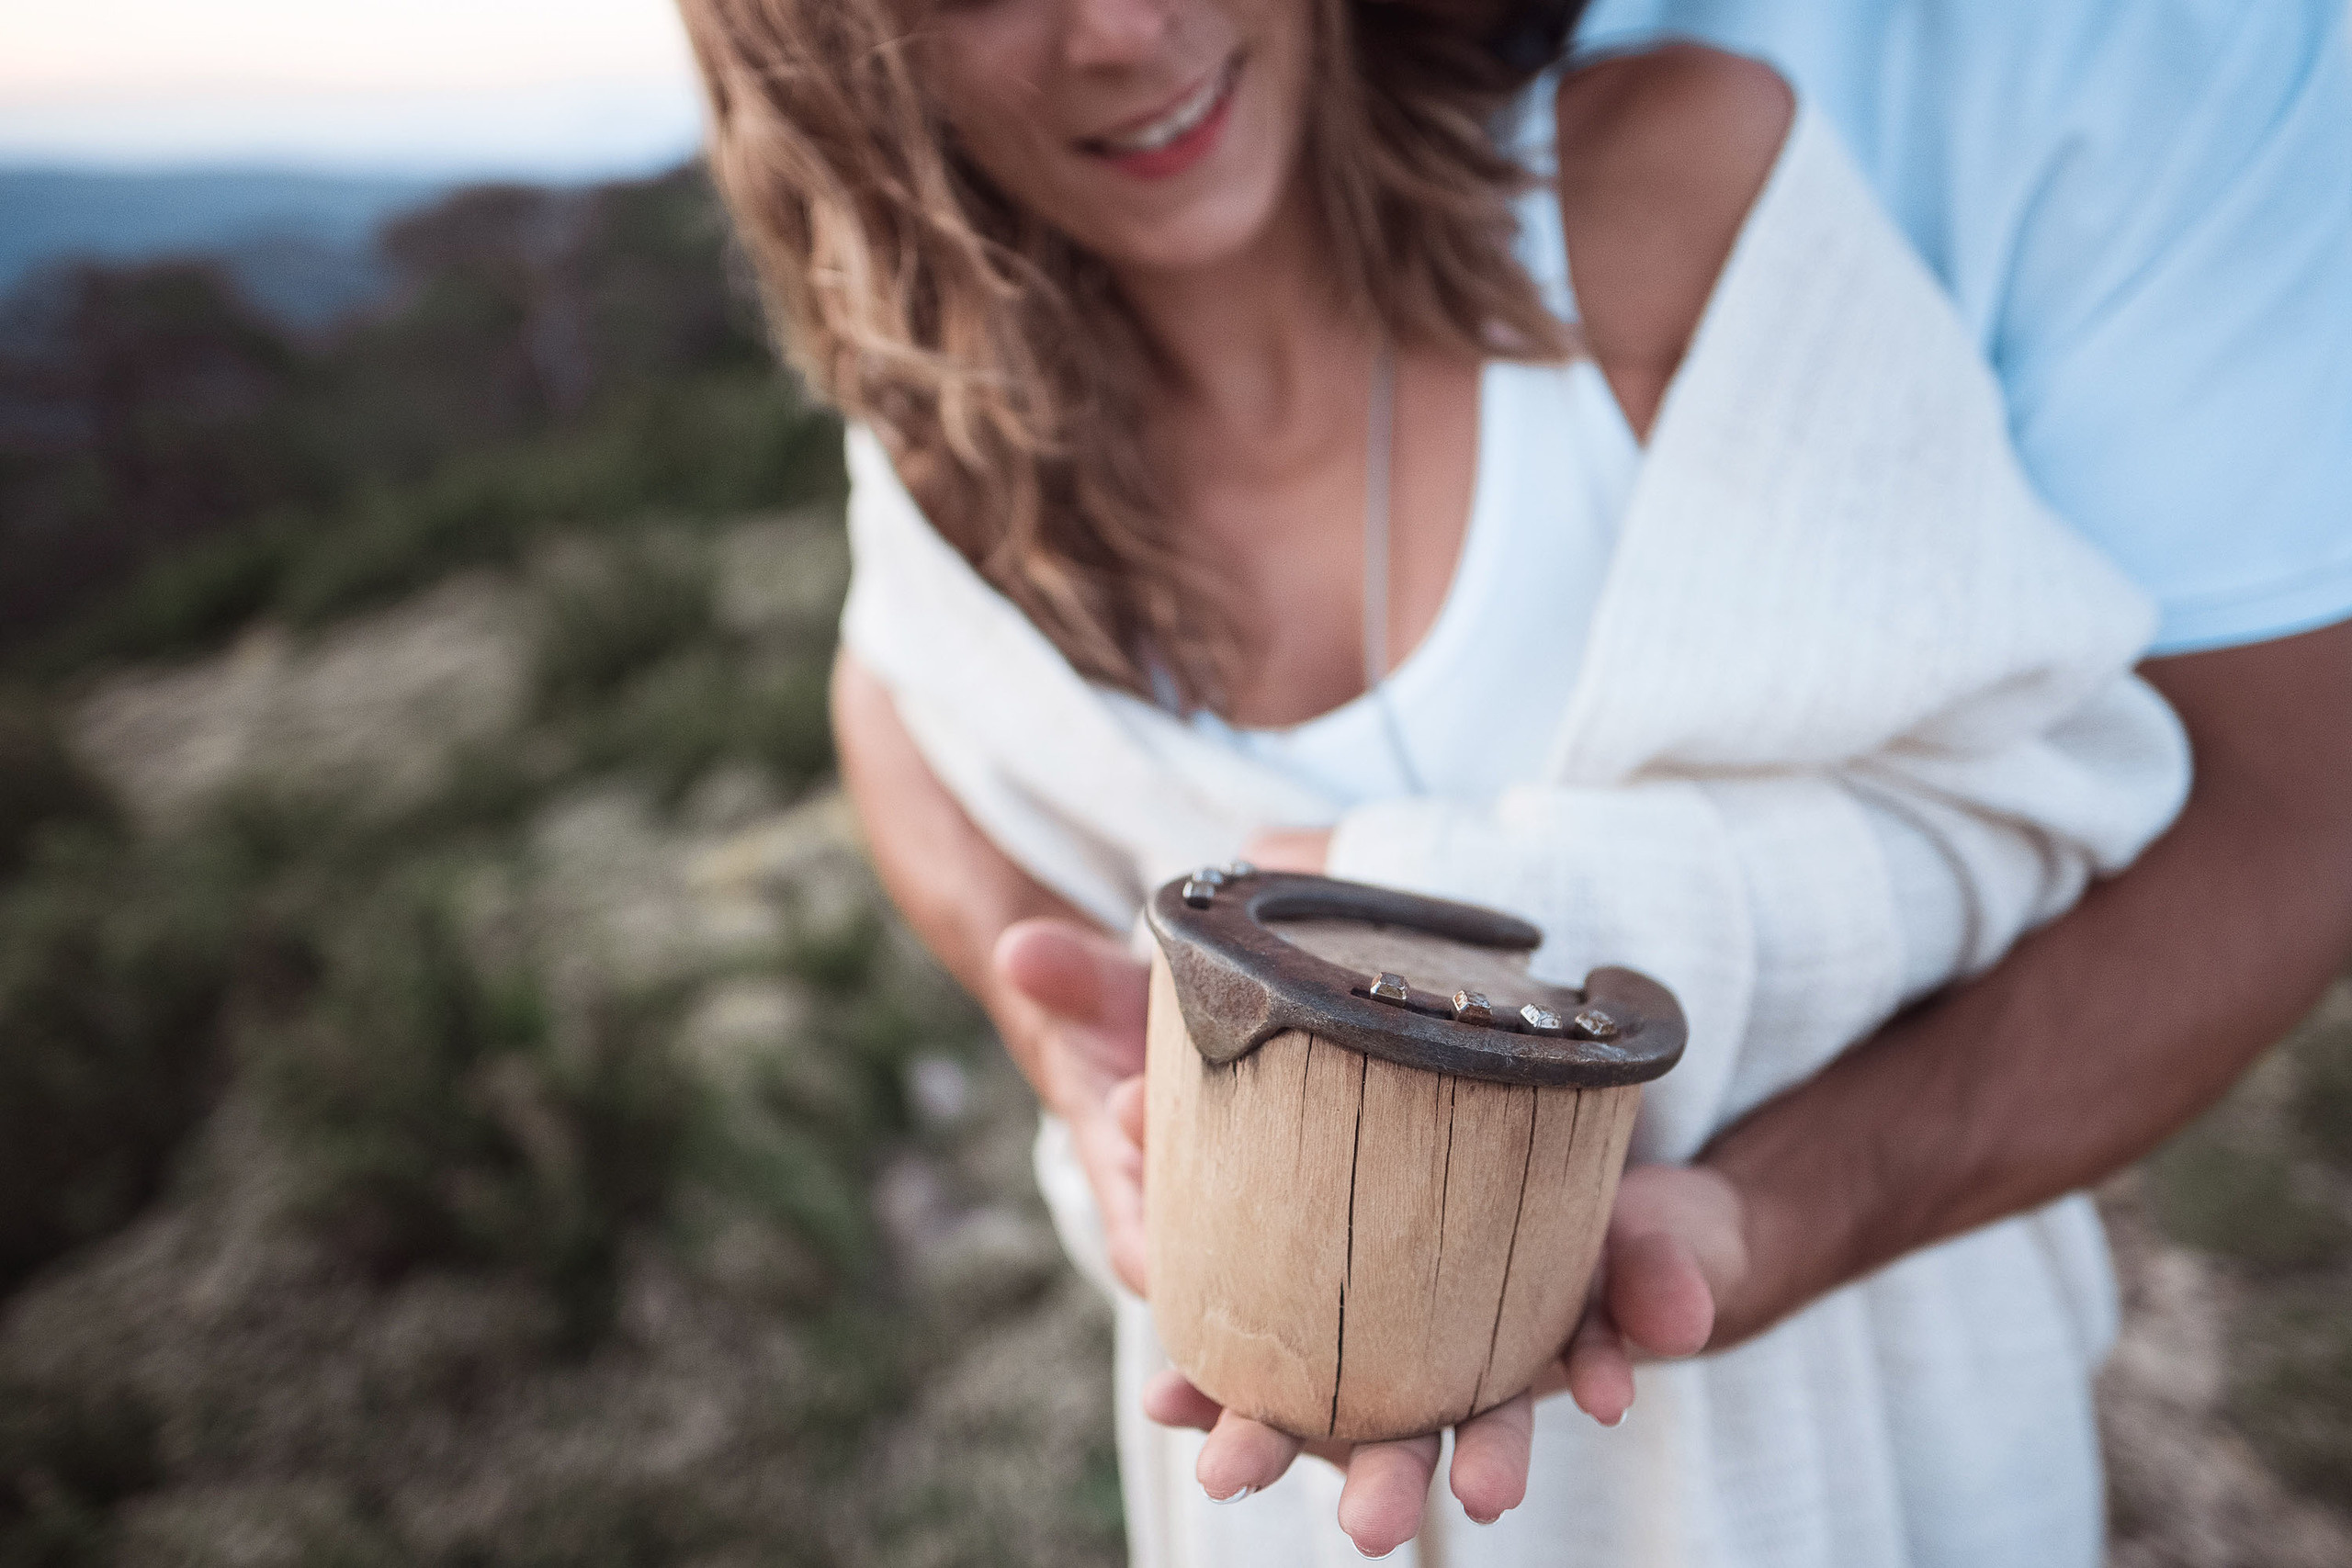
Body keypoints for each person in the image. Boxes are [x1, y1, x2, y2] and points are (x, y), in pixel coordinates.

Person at [677, 0, 2352, 1562]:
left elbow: (2031, 786)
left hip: (1841, 1443)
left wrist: (1432, 908)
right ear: (825, 51)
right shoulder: (950, 439)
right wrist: (1046, 1013)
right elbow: (894, 693)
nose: (1127, 28)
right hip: (1282, 1474)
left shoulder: (1664, 198)